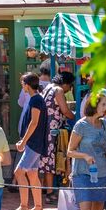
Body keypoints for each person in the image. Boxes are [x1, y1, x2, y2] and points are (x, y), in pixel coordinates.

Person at [11, 73, 47, 210]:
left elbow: (34, 122)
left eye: (23, 84)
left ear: (27, 85)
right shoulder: (35, 99)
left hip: (34, 143)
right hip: (34, 142)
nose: (22, 87)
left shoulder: (36, 100)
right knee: (32, 174)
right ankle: (38, 206)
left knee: (19, 172)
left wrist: (23, 141)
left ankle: (24, 206)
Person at [39, 71, 75, 201]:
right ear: (65, 83)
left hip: (45, 128)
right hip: (53, 130)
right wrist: (76, 117)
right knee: (54, 159)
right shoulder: (58, 90)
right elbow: (65, 110)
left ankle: (48, 191)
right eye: (69, 86)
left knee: (49, 160)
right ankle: (50, 192)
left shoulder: (48, 87)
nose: (69, 89)